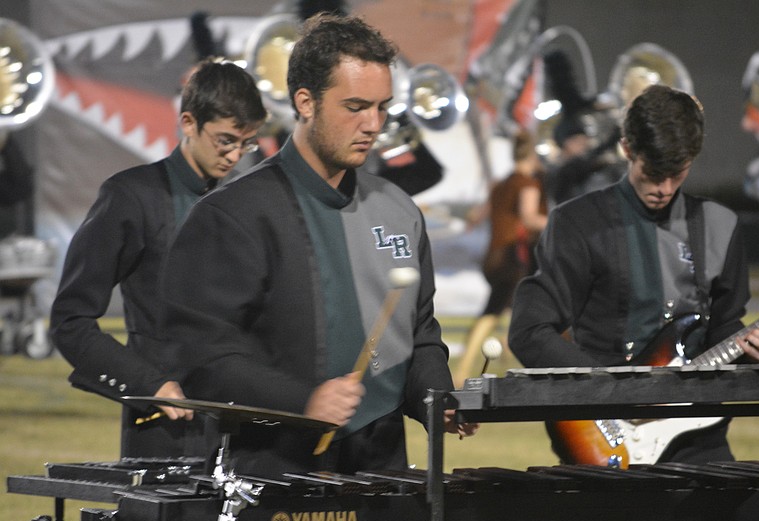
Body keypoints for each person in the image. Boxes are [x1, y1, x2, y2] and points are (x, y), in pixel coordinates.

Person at [159, 13, 477, 477]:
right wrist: (302, 400)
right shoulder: (234, 213)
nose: (373, 125)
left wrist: (436, 400)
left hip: (382, 469)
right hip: (270, 467)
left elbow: (419, 335)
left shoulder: (399, 211)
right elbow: (200, 355)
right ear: (305, 102)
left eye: (382, 107)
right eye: (355, 107)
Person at [508, 84, 759, 464]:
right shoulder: (577, 223)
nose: (664, 189)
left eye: (677, 173)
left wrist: (751, 346)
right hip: (608, 435)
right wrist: (612, 391)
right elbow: (529, 331)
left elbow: (723, 329)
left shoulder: (722, 225)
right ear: (626, 148)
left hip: (699, 439)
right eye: (653, 173)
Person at [49, 59, 268, 459]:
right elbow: (71, 322)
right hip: (166, 432)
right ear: (188, 122)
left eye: (246, 143)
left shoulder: (245, 204)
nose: (235, 155)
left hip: (245, 432)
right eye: (225, 141)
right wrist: (147, 383)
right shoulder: (130, 197)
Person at [454, 129, 547, 385]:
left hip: (492, 257)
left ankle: (506, 348)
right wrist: (557, 221)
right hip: (509, 257)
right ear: (533, 154)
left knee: (510, 303)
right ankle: (462, 369)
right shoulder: (527, 183)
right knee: (492, 312)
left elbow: (476, 216)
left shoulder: (501, 184)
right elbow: (529, 217)